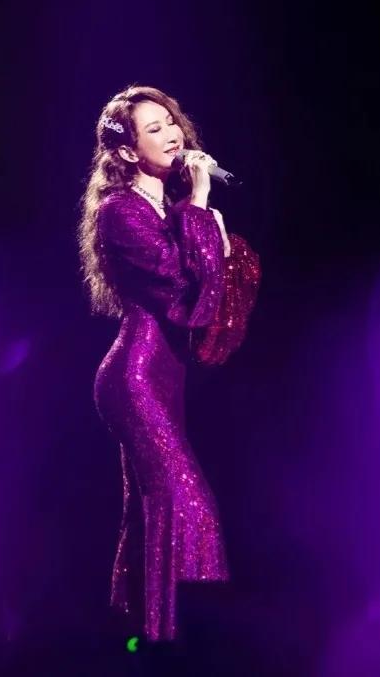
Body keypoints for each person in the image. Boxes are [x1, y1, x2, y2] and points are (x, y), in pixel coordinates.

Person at [77, 84, 260, 645]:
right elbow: (185, 292)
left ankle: (142, 635)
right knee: (181, 498)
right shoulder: (120, 212)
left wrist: (204, 220)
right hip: (133, 377)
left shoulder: (170, 210)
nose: (172, 134)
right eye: (153, 129)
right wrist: (199, 203)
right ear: (127, 150)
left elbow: (218, 293)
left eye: (171, 121)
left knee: (148, 511)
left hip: (165, 377)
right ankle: (168, 638)